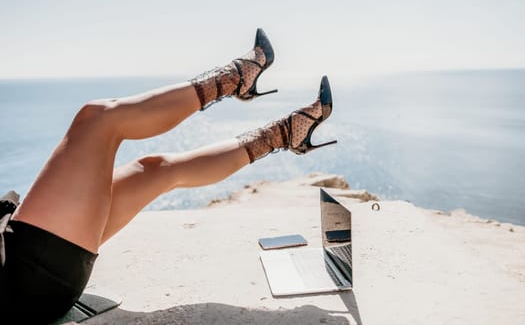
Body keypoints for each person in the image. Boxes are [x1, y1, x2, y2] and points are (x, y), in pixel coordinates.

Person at [0, 28, 336, 323]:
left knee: (156, 169)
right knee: (98, 119)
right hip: (25, 274)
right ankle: (234, 78)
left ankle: (286, 134)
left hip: (27, 262)